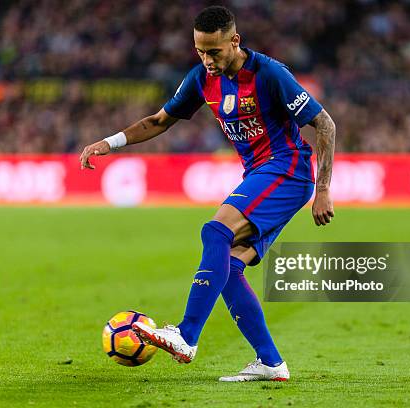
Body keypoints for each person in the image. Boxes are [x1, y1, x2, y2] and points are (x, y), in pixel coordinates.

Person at [80, 6, 335, 382]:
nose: (207, 59)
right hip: (261, 174)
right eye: (200, 50)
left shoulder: (270, 74)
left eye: (214, 51)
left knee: (215, 231)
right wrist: (109, 142)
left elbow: (324, 123)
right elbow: (159, 121)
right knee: (229, 267)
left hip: (288, 169)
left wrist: (323, 189)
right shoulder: (201, 78)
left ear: (235, 41)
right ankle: (270, 362)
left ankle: (186, 335)